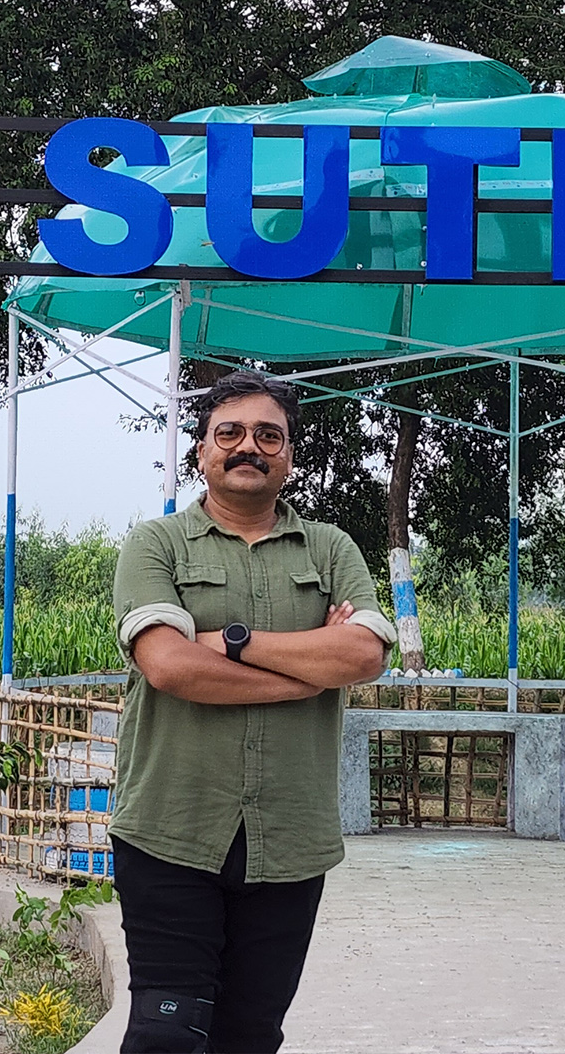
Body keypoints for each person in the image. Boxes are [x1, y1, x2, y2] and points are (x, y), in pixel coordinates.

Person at [109, 370, 397, 1054]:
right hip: (169, 830)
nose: (250, 447)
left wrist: (234, 643)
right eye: (229, 432)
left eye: (270, 435)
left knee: (249, 1036)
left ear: (289, 457)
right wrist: (305, 675)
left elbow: (362, 657)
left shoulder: (331, 549)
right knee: (167, 1034)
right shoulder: (156, 546)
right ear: (202, 451)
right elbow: (170, 666)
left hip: (290, 840)